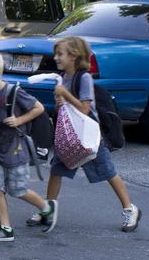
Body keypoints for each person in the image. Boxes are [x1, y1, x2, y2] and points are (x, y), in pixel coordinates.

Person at [32, 36, 141, 232]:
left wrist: (65, 94)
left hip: (89, 135)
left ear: (74, 56)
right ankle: (48, 209)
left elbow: (84, 109)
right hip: (70, 134)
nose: (56, 57)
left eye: (60, 54)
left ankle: (130, 208)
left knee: (107, 170)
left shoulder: (84, 78)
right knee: (56, 169)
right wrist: (60, 103)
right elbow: (67, 109)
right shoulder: (64, 77)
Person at [0, 49, 58, 241]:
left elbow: (38, 108)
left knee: (18, 190)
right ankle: (5, 228)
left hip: (16, 149)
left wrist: (19, 121)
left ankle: (46, 208)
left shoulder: (13, 92)